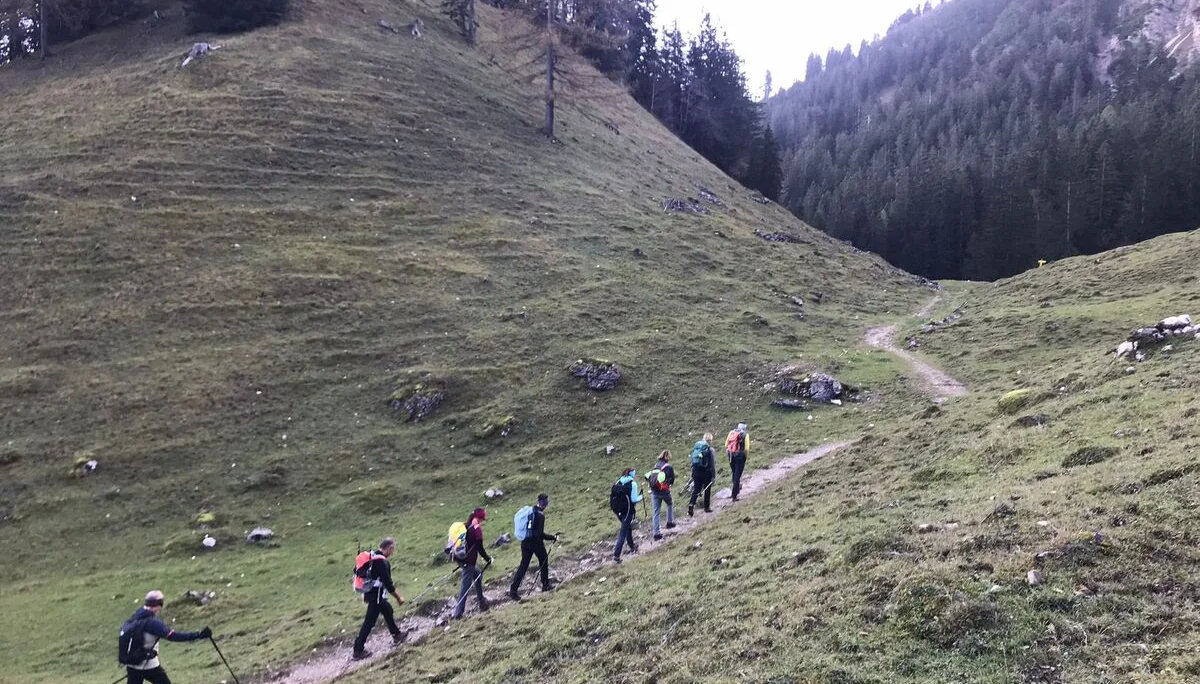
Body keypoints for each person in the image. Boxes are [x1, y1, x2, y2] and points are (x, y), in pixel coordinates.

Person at [120, 590, 211, 684]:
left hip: (132, 664)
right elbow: (173, 636)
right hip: (148, 665)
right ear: (159, 604)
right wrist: (198, 635)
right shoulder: (152, 623)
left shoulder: (136, 616)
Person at [352, 537, 406, 660]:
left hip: (371, 594)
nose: (393, 552)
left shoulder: (372, 557)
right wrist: (398, 598)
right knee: (369, 622)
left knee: (387, 610)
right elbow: (388, 583)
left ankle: (397, 635)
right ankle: (358, 650)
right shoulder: (382, 562)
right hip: (376, 596)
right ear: (389, 548)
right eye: (393, 549)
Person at [508, 493, 559, 601]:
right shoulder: (540, 515)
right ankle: (545, 585)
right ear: (545, 503)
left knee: (523, 566)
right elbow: (540, 534)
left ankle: (513, 590)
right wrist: (552, 537)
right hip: (536, 543)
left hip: (525, 542)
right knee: (544, 560)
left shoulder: (530, 511)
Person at [452, 508, 492, 619]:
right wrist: (488, 559)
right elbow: (480, 548)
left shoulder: (465, 526)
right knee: (465, 586)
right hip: (468, 561)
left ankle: (482, 601)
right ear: (479, 518)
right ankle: (458, 613)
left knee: (478, 574)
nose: (482, 521)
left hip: (460, 559)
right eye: (482, 519)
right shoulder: (476, 530)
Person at [611, 467, 642, 563]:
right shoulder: (633, 484)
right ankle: (616, 554)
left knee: (627, 527)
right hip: (628, 510)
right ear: (632, 474)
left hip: (617, 510)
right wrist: (641, 497)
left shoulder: (618, 482)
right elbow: (634, 499)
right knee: (623, 532)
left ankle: (632, 546)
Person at [646, 451, 676, 540]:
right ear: (667, 457)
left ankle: (656, 534)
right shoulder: (669, 467)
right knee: (670, 504)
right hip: (664, 491)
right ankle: (670, 522)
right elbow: (672, 480)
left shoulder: (656, 465)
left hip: (654, 491)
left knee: (656, 512)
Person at [688, 434, 716, 516]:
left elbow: (692, 460)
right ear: (710, 440)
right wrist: (713, 476)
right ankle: (707, 507)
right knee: (707, 489)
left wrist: (692, 473)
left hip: (696, 471)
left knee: (696, 489)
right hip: (706, 472)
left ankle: (691, 504)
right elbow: (713, 464)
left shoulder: (696, 447)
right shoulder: (710, 450)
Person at [725, 422, 750, 502]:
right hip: (740, 456)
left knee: (734, 472)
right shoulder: (745, 435)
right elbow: (746, 449)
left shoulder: (731, 432)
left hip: (731, 455)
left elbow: (726, 445)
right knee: (737, 475)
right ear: (744, 428)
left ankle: (735, 490)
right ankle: (734, 495)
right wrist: (745, 456)